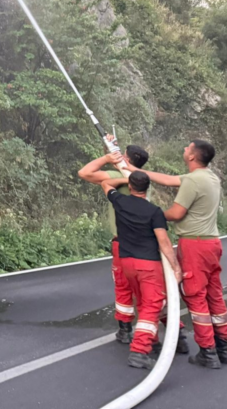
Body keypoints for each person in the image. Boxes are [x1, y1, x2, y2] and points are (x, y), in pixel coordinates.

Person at [125, 139, 227, 369]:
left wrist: (149, 216)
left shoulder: (193, 181)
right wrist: (135, 170)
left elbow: (176, 213)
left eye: (187, 148)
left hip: (194, 245)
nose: (184, 149)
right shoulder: (210, 177)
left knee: (195, 296)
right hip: (212, 243)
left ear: (193, 156)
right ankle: (224, 347)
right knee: (214, 295)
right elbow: (168, 179)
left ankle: (207, 352)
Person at [77, 137, 167, 348]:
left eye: (122, 154)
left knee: (124, 286)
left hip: (123, 244)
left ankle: (126, 330)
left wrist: (106, 157)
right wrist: (109, 148)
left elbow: (85, 172)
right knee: (150, 291)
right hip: (146, 245)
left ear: (125, 159)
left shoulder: (119, 177)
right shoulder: (141, 179)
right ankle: (166, 333)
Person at [97, 170, 183, 369]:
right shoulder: (154, 212)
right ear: (148, 188)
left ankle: (152, 342)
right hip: (148, 264)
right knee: (153, 303)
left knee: (143, 302)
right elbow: (164, 243)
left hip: (127, 262)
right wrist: (175, 267)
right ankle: (139, 350)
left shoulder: (120, 201)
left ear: (130, 186)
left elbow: (106, 183)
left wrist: (124, 179)